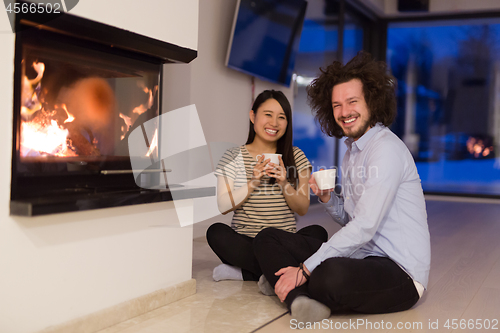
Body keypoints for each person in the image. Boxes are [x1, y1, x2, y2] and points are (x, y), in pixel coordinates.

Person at [253, 51, 431, 323]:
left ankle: (291, 285)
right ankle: (299, 299)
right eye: (337, 105)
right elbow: (351, 220)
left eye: (352, 102)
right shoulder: (352, 152)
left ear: (371, 101)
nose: (344, 112)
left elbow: (364, 226)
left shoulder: (386, 150)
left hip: (400, 272)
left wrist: (305, 269)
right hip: (362, 255)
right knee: (268, 238)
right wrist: (326, 198)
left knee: (328, 275)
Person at [206, 90, 328, 283]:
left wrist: (283, 182)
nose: (274, 123)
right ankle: (282, 272)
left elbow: (302, 208)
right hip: (247, 241)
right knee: (216, 232)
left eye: (282, 117)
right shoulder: (233, 156)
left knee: (318, 234)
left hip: (283, 241)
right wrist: (253, 181)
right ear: (253, 116)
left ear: (287, 123)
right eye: (268, 115)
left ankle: (249, 273)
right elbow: (223, 206)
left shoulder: (296, 157)